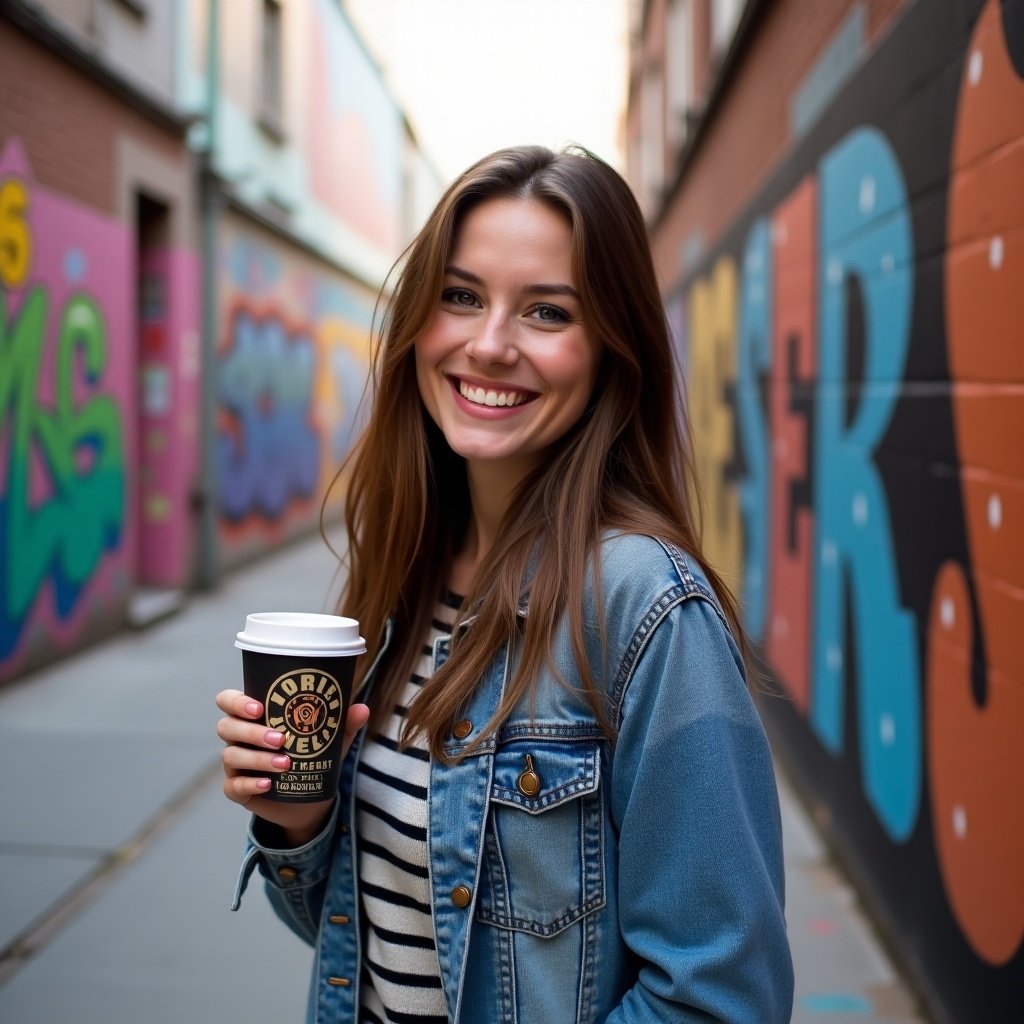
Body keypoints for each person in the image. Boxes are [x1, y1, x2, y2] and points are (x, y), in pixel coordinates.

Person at [216, 145, 794, 1024]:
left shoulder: (647, 607)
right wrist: (297, 819)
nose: (489, 345)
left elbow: (723, 998)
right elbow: (370, 941)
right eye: (461, 296)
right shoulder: (405, 574)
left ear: (611, 351)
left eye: (548, 312)